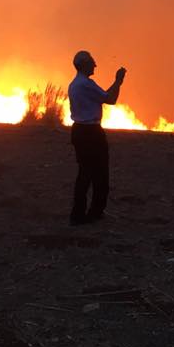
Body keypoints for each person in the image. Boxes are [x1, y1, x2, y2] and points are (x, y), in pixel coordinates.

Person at [67, 50, 126, 225]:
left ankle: (81, 214)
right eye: (92, 61)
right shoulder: (86, 84)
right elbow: (110, 99)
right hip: (90, 133)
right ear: (84, 64)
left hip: (80, 131)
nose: (95, 64)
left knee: (85, 172)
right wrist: (118, 81)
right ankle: (91, 213)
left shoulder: (75, 84)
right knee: (98, 174)